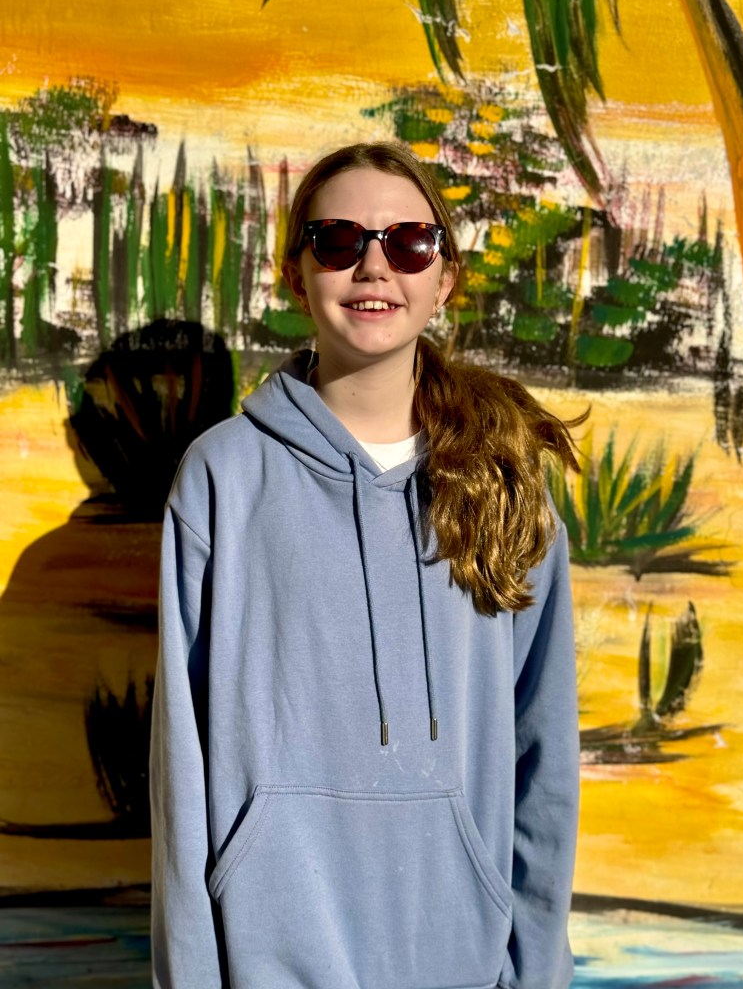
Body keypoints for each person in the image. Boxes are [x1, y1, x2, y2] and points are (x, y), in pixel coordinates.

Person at [150, 141, 582, 989]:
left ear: (445, 275)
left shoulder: (502, 478)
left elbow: (546, 760)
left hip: (464, 962)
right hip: (269, 964)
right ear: (295, 271)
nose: (374, 266)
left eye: (409, 242)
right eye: (339, 241)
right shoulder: (223, 478)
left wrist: (538, 972)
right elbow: (181, 766)